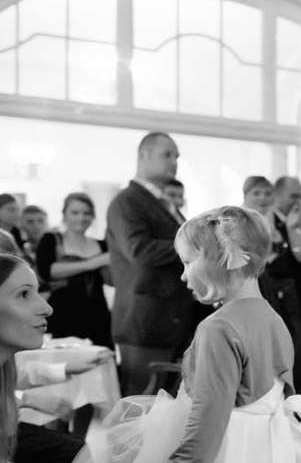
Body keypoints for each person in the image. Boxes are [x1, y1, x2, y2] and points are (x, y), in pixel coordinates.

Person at [103, 206, 301, 462]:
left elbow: (206, 426)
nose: (183, 275)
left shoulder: (219, 328)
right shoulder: (273, 319)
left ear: (221, 259)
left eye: (188, 262)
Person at [106, 132, 195, 396]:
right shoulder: (127, 201)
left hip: (173, 320)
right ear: (143, 155)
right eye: (167, 154)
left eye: (176, 156)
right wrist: (196, 245)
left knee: (165, 405)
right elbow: (140, 251)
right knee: (140, 404)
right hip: (145, 322)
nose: (174, 162)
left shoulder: (164, 203)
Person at [0, 254, 91, 463]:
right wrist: (28, 399)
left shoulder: (6, 368)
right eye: (24, 294)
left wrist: (64, 368)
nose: (47, 309)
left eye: (37, 292)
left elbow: (22, 376)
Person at [35, 193, 112, 348]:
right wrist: (91, 263)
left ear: (93, 217)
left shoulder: (102, 244)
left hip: (97, 314)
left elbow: (111, 280)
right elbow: (47, 271)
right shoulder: (51, 239)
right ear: (64, 214)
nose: (81, 218)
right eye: (75, 212)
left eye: (87, 213)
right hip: (62, 313)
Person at [266, 176, 301, 394]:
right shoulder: (268, 223)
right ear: (276, 195)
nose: (298, 202)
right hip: (278, 302)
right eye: (294, 196)